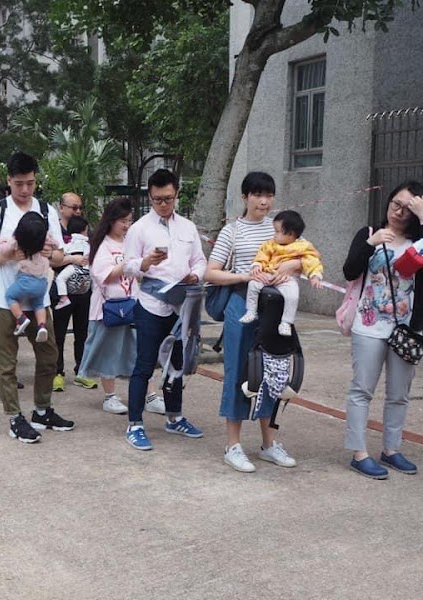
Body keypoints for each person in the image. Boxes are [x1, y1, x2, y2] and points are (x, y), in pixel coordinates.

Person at [342, 181, 423, 479]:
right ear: (387, 203)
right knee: (362, 390)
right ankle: (359, 453)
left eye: (407, 208)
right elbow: (349, 270)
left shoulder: (421, 240)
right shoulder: (369, 233)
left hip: (406, 330)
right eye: (395, 204)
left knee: (399, 394)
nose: (398, 212)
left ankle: (391, 450)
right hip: (369, 325)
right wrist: (370, 244)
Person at [205, 171, 301, 473]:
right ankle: (233, 445)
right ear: (245, 197)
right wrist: (245, 275)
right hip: (241, 304)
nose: (264, 201)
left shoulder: (280, 228)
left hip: (275, 307)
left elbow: (303, 257)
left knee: (274, 372)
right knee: (238, 371)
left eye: (269, 195)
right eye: (258, 195)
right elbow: (211, 272)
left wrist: (290, 266)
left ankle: (269, 444)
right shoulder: (232, 231)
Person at [0, 151, 75, 443]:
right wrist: (12, 255)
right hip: (5, 299)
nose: (24, 189)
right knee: (7, 361)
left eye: (30, 183)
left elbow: (59, 256)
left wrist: (50, 253)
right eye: (19, 183)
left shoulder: (46, 211)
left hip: (38, 299)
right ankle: (14, 417)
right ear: (8, 180)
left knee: (49, 355)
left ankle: (42, 410)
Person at [122, 169, 206, 451]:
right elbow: (127, 265)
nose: (163, 204)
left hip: (181, 305)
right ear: (149, 197)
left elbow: (200, 260)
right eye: (157, 199)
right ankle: (135, 424)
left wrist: (195, 275)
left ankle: (174, 417)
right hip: (150, 303)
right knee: (144, 365)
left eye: (168, 198)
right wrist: (146, 262)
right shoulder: (139, 229)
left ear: (176, 194)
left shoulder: (188, 228)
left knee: (177, 364)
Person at [78, 198, 136, 415]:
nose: (126, 225)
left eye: (129, 221)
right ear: (111, 221)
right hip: (108, 308)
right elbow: (104, 274)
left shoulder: (131, 242)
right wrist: (130, 264)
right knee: (107, 352)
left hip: (132, 303)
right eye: (123, 221)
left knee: (137, 350)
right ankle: (110, 396)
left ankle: (148, 394)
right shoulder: (102, 245)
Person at [239, 209, 324, 336]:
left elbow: (312, 261)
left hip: (288, 278)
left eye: (278, 232)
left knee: (293, 296)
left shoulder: (303, 246)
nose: (274, 235)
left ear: (291, 234)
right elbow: (262, 254)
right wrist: (257, 265)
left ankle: (286, 322)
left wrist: (315, 276)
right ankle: (251, 311)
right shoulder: (271, 244)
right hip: (269, 273)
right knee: (253, 284)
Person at [51, 192, 97, 394]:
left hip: (84, 290)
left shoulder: (86, 230)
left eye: (80, 207)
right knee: (58, 333)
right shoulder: (53, 231)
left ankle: (82, 370)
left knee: (82, 332)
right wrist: (72, 259)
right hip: (62, 290)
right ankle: (57, 372)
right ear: (61, 208)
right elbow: (50, 260)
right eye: (73, 207)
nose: (77, 211)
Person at [0, 212, 55, 340]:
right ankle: (42, 326)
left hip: (25, 280)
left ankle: (21, 318)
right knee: (39, 304)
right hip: (42, 282)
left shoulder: (17, 241)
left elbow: (4, 249)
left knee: (10, 296)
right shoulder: (45, 239)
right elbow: (56, 243)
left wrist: (2, 241)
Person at [54, 215, 90, 310]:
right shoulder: (87, 243)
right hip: (87, 270)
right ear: (84, 230)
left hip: (74, 268)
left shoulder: (71, 242)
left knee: (60, 279)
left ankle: (63, 298)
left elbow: (63, 252)